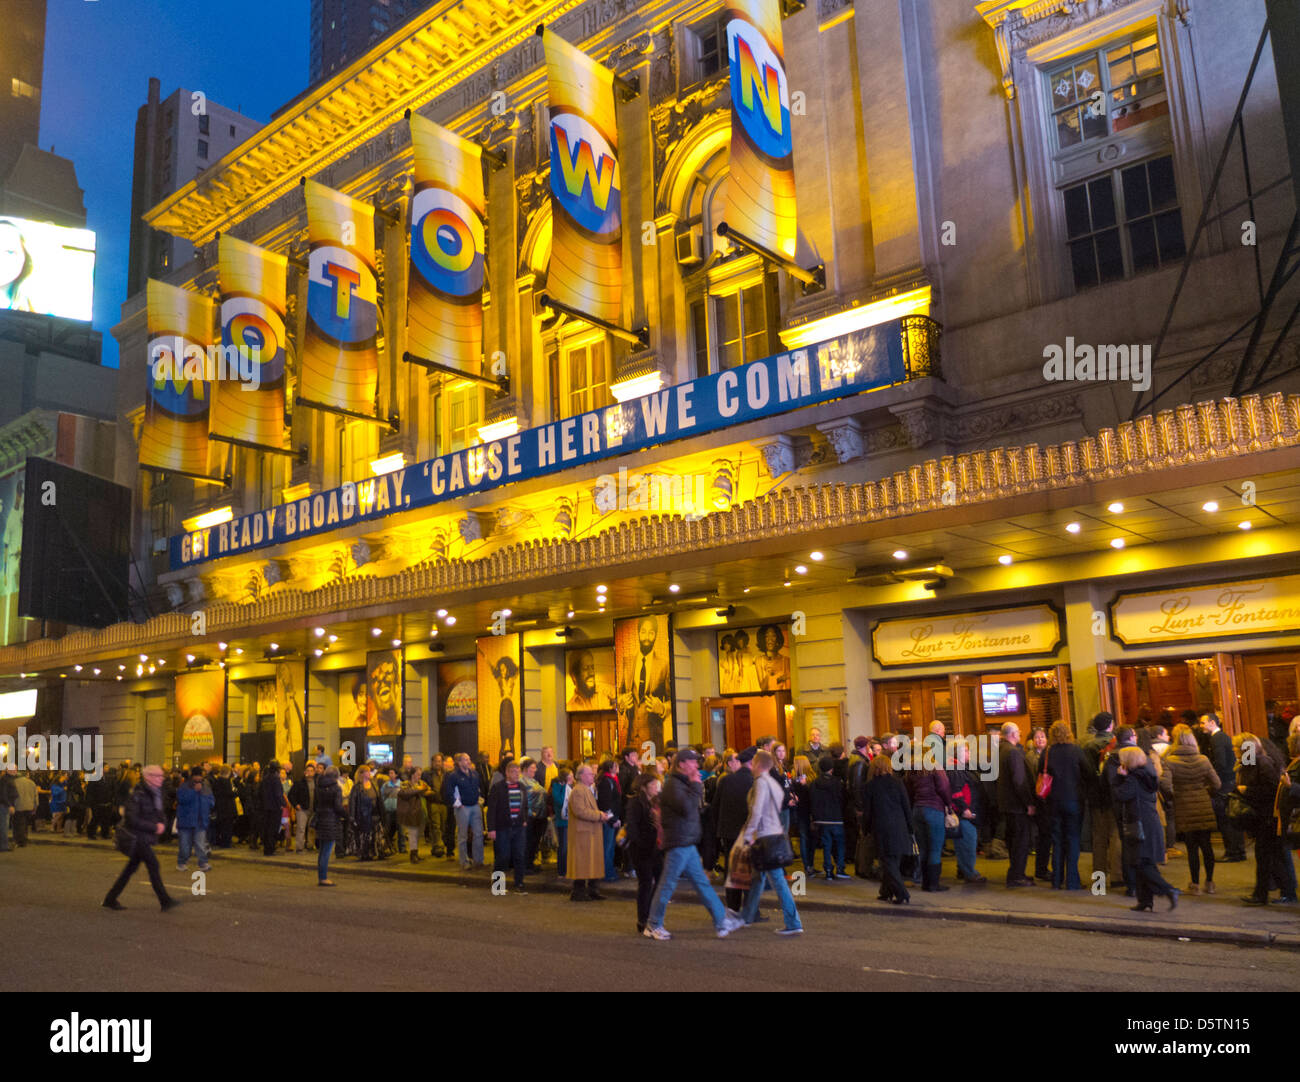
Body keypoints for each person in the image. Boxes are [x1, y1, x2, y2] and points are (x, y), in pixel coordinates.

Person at [643, 749, 745, 940]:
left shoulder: (680, 783)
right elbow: (689, 809)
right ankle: (654, 924)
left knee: (701, 883)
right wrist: (697, 785)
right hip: (678, 842)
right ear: (681, 764)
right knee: (667, 884)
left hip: (686, 841)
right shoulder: (674, 785)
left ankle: (721, 919)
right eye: (692, 762)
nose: (696, 765)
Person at [738, 749, 802, 933]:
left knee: (778, 882)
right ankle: (747, 916)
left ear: (758, 765)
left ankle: (793, 922)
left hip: (765, 837)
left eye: (753, 763)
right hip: (774, 834)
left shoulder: (760, 783)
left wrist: (748, 834)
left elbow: (757, 811)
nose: (751, 767)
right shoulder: (773, 783)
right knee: (758, 878)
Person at [102, 765, 179, 912]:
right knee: (153, 865)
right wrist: (154, 827)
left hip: (143, 837)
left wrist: (162, 823)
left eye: (161, 776)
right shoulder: (138, 794)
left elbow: (158, 812)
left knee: (129, 869)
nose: (161, 778)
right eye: (157, 776)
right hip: (137, 837)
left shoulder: (155, 793)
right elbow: (132, 819)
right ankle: (165, 900)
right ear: (148, 777)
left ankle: (110, 898)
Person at [1112, 746, 1178, 911]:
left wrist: (1119, 778)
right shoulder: (1147, 774)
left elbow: (1120, 795)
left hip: (1139, 823)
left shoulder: (1133, 779)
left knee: (1139, 861)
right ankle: (1145, 900)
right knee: (1144, 861)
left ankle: (1167, 889)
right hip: (1150, 821)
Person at [1236, 732, 1297, 905]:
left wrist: (1246, 790)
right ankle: (1266, 893)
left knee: (1268, 856)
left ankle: (1269, 893)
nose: (1234, 750)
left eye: (1236, 747)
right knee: (1267, 856)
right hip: (1261, 816)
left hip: (1267, 817)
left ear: (1245, 748)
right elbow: (1246, 776)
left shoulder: (1262, 762)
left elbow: (1270, 790)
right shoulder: (1252, 761)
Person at [1162, 723, 1220, 894]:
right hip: (1203, 804)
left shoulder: (1170, 761)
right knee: (1207, 846)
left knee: (1192, 848)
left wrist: (1175, 794)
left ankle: (1194, 884)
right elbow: (1217, 784)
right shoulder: (1203, 759)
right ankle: (1210, 883)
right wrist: (1204, 790)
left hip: (1184, 806)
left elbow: (1164, 784)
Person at [1041, 720, 1090, 890]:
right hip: (1074, 800)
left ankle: (1056, 880)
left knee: (1057, 839)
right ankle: (1072, 881)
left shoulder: (1047, 752)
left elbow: (1041, 773)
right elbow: (1088, 772)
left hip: (1053, 802)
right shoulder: (1076, 751)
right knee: (1073, 839)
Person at [905, 733, 955, 892]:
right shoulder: (935, 768)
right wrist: (949, 805)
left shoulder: (911, 770)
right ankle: (933, 884)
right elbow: (944, 788)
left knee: (923, 848)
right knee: (935, 847)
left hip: (917, 810)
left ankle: (925, 882)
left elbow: (908, 791)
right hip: (933, 809)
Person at [863, 753, 913, 904]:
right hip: (899, 826)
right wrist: (910, 828)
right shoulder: (898, 782)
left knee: (888, 862)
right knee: (892, 861)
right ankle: (886, 891)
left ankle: (902, 893)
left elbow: (868, 811)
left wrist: (865, 829)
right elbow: (906, 806)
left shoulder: (870, 786)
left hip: (882, 827)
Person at [616, 615, 671, 746]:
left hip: (652, 738)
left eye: (651, 633)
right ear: (638, 633)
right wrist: (620, 703)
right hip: (630, 739)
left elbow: (672, 700)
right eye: (643, 632)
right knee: (632, 766)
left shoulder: (664, 665)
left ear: (656, 635)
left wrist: (662, 708)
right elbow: (617, 696)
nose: (646, 637)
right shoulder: (627, 663)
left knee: (649, 766)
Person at [1199, 713, 1246, 861]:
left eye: (1202, 723)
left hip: (1223, 783)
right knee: (1230, 817)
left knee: (1225, 818)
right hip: (1229, 781)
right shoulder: (1222, 737)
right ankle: (1238, 850)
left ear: (1212, 723)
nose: (1200, 726)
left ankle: (1232, 852)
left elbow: (1220, 763)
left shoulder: (1216, 739)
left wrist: (1212, 779)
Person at [626, 769, 664, 934]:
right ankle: (643, 919)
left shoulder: (655, 801)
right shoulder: (635, 803)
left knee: (661, 880)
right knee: (646, 883)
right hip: (641, 850)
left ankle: (652, 914)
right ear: (643, 786)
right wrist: (640, 844)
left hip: (655, 848)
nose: (656, 787)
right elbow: (632, 827)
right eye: (653, 784)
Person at [715, 747, 755, 906]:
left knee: (733, 870)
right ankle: (751, 909)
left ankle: (733, 906)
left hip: (729, 832)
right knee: (749, 870)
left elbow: (716, 807)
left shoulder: (726, 780)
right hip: (748, 833)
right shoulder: (755, 781)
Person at [998, 722, 1036, 886]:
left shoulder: (1001, 750)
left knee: (1014, 840)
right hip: (1016, 805)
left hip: (1007, 803)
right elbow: (1019, 780)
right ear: (1013, 734)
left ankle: (1016, 873)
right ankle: (1017, 875)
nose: (1020, 734)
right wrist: (1028, 802)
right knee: (1020, 841)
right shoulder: (1013, 752)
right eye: (1019, 732)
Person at [945, 737, 986, 884]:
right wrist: (965, 809)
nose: (969, 753)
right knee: (968, 842)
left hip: (964, 812)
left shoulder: (960, 767)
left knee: (964, 842)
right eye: (966, 750)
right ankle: (969, 872)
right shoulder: (956, 769)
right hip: (963, 814)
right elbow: (956, 792)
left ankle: (964, 870)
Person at [566, 763, 609, 901]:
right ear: (582, 776)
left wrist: (599, 815)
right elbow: (580, 811)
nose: (593, 776)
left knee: (591, 862)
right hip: (583, 833)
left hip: (589, 832)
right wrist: (599, 815)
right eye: (590, 774)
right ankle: (579, 891)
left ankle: (592, 890)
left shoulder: (586, 789)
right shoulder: (578, 790)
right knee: (582, 863)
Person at [443, 753, 484, 869]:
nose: (468, 761)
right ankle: (464, 861)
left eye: (469, 759)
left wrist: (479, 798)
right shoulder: (454, 776)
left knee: (478, 834)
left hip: (475, 806)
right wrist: (457, 804)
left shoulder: (475, 774)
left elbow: (478, 788)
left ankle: (478, 860)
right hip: (463, 808)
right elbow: (449, 792)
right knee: (462, 835)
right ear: (460, 763)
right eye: (465, 760)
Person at [810, 754, 847, 880]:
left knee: (827, 845)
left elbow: (813, 801)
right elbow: (842, 799)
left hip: (822, 819)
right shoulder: (837, 782)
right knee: (840, 844)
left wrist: (815, 817)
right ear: (831, 769)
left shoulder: (815, 783)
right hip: (836, 818)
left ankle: (828, 871)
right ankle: (840, 868)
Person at [1024, 726, 1052, 882]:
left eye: (1042, 737)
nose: (1040, 739)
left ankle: (1042, 867)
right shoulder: (1030, 757)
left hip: (1044, 799)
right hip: (1039, 799)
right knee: (1043, 836)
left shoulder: (1048, 754)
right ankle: (1041, 869)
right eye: (1037, 737)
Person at [174, 767, 214, 873]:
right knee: (185, 845)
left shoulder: (206, 787)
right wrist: (194, 792)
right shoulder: (184, 786)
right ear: (193, 776)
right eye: (197, 775)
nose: (199, 777)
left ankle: (203, 863)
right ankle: (182, 862)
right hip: (186, 820)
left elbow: (211, 800)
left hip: (200, 821)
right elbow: (181, 799)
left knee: (200, 845)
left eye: (200, 775)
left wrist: (210, 804)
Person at [314, 766, 344, 886]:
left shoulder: (319, 786)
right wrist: (346, 815)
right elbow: (337, 806)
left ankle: (321, 876)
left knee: (322, 850)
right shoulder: (336, 788)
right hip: (331, 820)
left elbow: (315, 803)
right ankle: (323, 877)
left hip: (321, 818)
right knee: (327, 850)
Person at [595, 758, 623, 882]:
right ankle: (607, 872)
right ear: (610, 768)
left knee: (610, 846)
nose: (618, 767)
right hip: (609, 818)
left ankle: (609, 870)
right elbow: (606, 803)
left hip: (613, 817)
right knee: (608, 846)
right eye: (615, 766)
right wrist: (612, 819)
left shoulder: (613, 780)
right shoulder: (606, 782)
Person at [789, 754, 816, 874]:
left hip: (802, 811)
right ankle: (808, 865)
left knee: (806, 838)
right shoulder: (798, 779)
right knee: (807, 837)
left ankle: (809, 865)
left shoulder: (804, 779)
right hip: (808, 811)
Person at [397, 767, 430, 863]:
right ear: (412, 774)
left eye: (420, 774)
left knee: (418, 835)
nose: (419, 776)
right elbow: (404, 793)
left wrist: (424, 790)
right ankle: (413, 855)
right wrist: (419, 790)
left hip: (421, 811)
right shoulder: (406, 784)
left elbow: (428, 790)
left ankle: (416, 853)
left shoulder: (421, 783)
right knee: (413, 834)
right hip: (411, 812)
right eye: (418, 774)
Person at [349, 765, 382, 861]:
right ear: (362, 774)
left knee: (373, 835)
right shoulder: (357, 787)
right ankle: (364, 853)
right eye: (367, 771)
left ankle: (373, 852)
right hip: (362, 814)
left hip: (374, 813)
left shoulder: (374, 785)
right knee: (364, 835)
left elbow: (379, 799)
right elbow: (353, 802)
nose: (369, 773)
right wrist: (352, 817)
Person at [288, 761, 317, 853]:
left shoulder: (317, 783)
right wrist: (296, 805)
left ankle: (310, 845)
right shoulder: (299, 783)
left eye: (311, 771)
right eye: (307, 770)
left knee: (312, 828)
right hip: (302, 810)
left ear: (314, 772)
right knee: (301, 828)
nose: (309, 772)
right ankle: (299, 847)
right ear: (305, 772)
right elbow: (291, 795)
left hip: (314, 809)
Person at [550, 766, 573, 876]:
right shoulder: (557, 786)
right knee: (563, 846)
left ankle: (569, 867)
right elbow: (559, 800)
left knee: (570, 846)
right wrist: (565, 787)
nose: (572, 778)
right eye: (570, 776)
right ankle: (562, 870)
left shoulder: (572, 786)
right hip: (562, 820)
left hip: (571, 821)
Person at [260, 760, 284, 857]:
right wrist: (282, 803)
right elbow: (278, 794)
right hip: (275, 807)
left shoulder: (265, 778)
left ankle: (267, 848)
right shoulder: (276, 779)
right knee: (273, 828)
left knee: (267, 827)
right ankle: (271, 848)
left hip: (266, 806)